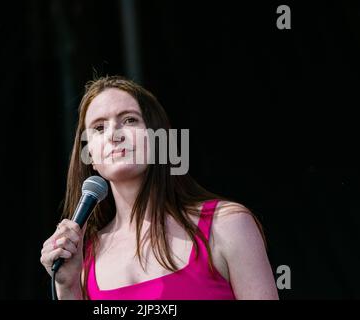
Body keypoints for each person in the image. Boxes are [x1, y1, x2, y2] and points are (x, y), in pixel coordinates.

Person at [40, 75, 279, 300]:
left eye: (130, 120)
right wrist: (67, 288)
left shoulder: (226, 225)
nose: (113, 134)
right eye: (99, 128)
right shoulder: (82, 255)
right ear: (89, 153)